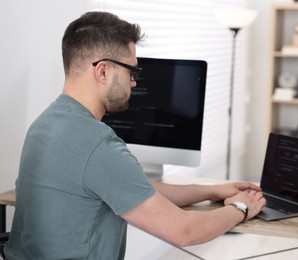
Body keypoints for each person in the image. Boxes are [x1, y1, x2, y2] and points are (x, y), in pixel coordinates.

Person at [4, 11, 266, 259]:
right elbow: (185, 231)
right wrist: (241, 208)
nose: (134, 82)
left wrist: (214, 190)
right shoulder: (98, 144)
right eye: (132, 71)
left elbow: (133, 188)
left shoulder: (43, 124)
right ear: (103, 70)